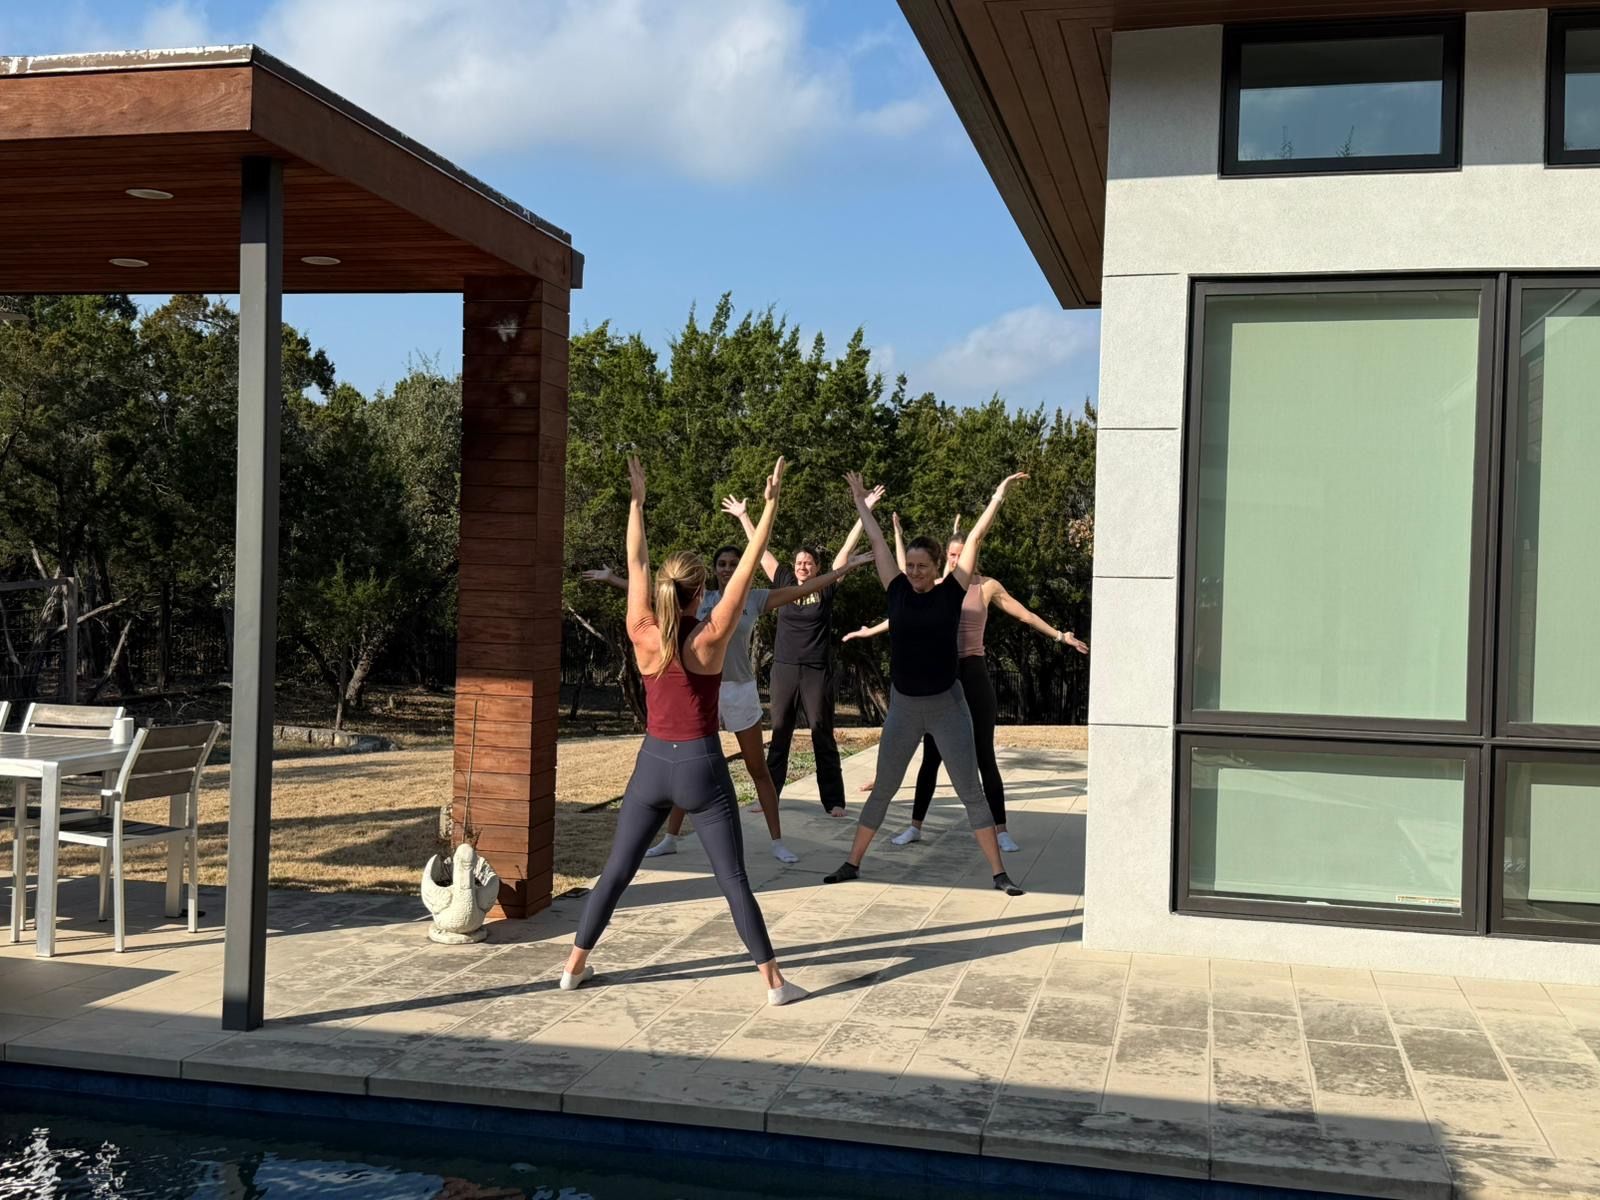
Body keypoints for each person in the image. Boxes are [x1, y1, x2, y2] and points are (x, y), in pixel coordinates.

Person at [562, 455, 806, 1006]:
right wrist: (767, 508)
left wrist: (637, 503)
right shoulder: (711, 636)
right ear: (700, 593)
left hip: (652, 765)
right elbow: (744, 573)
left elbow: (636, 559)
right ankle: (774, 983)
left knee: (616, 873)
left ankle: (573, 967)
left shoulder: (642, 630)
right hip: (700, 764)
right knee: (733, 879)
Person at [582, 546, 872, 862]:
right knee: (688, 762)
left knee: (757, 768)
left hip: (740, 690)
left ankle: (777, 842)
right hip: (703, 691)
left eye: (734, 563)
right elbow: (653, 592)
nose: (728, 568)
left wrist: (841, 571)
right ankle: (671, 838)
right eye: (721, 564)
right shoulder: (700, 599)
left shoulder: (754, 598)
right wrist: (613, 579)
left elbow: (803, 589)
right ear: (713, 569)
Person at [822, 469, 1030, 895]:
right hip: (904, 707)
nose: (915, 571)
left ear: (938, 567)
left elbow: (974, 539)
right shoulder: (895, 589)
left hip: (947, 706)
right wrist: (861, 503)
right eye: (911, 565)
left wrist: (997, 496)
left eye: (922, 566)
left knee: (970, 790)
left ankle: (999, 873)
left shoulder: (951, 592)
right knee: (883, 788)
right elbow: (878, 542)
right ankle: (852, 862)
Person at [843, 516, 1088, 852]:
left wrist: (1061, 636)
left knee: (984, 754)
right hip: (941, 676)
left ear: (971, 553)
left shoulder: (986, 587)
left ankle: (1000, 829)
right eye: (951, 555)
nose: (956, 560)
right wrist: (869, 630)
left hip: (972, 673)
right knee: (931, 757)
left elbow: (1025, 615)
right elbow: (903, 615)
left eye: (960, 554)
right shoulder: (939, 586)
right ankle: (915, 826)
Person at [723, 485, 884, 818]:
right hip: (784, 668)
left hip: (816, 671)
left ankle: (834, 802)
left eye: (808, 563)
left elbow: (845, 552)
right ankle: (768, 797)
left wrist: (862, 511)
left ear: (816, 567)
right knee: (779, 732)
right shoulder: (781, 578)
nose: (802, 567)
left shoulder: (824, 586)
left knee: (821, 732)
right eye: (799, 562)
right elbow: (758, 549)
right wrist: (744, 517)